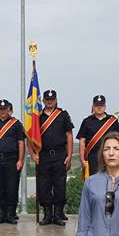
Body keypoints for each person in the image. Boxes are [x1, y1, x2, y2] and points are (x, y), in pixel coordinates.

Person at [32, 90, 73, 225]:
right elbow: (29, 137)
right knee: (44, 186)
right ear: (43, 100)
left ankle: (58, 215)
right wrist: (33, 154)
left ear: (55, 100)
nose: (50, 101)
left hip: (60, 154)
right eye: (47, 99)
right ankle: (47, 215)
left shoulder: (63, 115)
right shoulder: (37, 117)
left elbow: (69, 136)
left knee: (59, 185)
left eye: (52, 99)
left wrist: (70, 155)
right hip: (43, 156)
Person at [77, 95, 119, 177]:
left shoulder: (113, 121)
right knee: (94, 181)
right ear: (93, 106)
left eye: (101, 105)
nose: (99, 107)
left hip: (110, 155)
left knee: (111, 180)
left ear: (105, 106)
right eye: (97, 105)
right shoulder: (86, 121)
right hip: (92, 157)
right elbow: (82, 140)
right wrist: (82, 159)